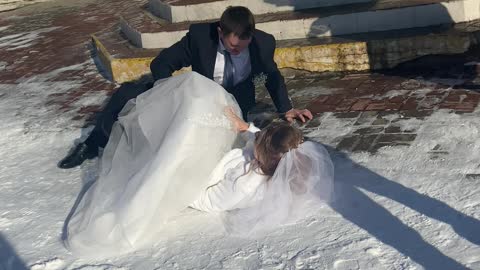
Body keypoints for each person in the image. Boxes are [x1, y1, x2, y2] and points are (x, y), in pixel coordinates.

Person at [64, 72, 333, 258]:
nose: (257, 134)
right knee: (196, 93)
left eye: (260, 136)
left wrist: (184, 169)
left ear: (267, 155)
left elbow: (207, 200)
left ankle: (138, 138)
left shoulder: (244, 186)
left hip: (193, 178)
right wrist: (244, 128)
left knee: (174, 141)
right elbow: (256, 139)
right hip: (211, 159)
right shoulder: (271, 157)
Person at [58, 6, 313, 169]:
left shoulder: (263, 43)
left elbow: (271, 75)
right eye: (232, 46)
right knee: (127, 93)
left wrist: (287, 108)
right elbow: (162, 62)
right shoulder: (201, 38)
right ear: (220, 31)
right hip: (198, 96)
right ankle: (92, 143)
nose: (238, 50)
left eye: (243, 46)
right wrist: (168, 90)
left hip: (232, 107)